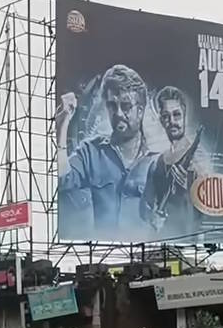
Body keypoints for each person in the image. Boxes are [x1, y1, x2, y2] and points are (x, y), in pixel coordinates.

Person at [56, 64, 154, 239]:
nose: (118, 113)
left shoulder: (157, 160)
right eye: (112, 105)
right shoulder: (91, 152)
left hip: (147, 251)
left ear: (140, 111)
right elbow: (62, 179)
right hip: (103, 251)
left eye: (126, 106)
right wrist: (62, 124)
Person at [142, 86, 204, 239]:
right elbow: (144, 204)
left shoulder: (198, 161)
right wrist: (152, 216)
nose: (172, 122)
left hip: (189, 244)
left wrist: (189, 190)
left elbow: (208, 213)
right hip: (159, 243)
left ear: (184, 115)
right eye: (166, 116)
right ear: (161, 120)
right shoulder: (158, 163)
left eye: (176, 115)